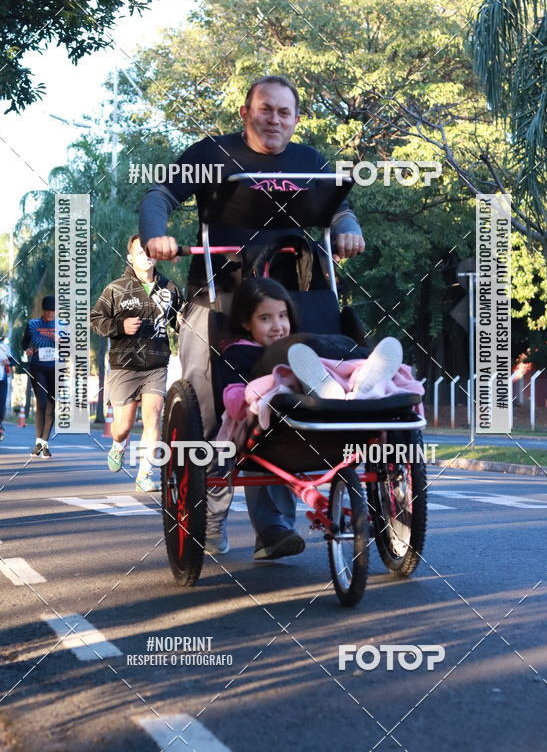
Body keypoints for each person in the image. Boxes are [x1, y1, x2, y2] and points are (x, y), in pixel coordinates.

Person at [139, 75, 366, 554]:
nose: (275, 119)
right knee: (205, 397)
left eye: (284, 112)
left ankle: (273, 529)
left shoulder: (310, 162)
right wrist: (156, 235)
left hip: (288, 295)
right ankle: (209, 520)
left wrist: (347, 229)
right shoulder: (211, 154)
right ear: (246, 112)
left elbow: (339, 209)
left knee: (284, 390)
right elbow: (159, 196)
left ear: (296, 119)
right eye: (266, 109)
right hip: (216, 293)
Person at [212, 278, 415, 558]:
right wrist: (248, 398)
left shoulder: (300, 341)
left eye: (283, 316)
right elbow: (233, 397)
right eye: (265, 318)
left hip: (325, 411)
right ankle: (328, 384)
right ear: (247, 323)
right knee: (284, 380)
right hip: (276, 422)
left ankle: (363, 379)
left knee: (324, 360)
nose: (277, 325)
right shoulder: (239, 351)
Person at [90, 235, 184, 492]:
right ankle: (119, 444)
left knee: (153, 418)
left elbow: (178, 321)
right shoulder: (116, 288)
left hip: (155, 363)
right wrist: (119, 326)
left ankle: (145, 474)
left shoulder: (170, 288)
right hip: (124, 364)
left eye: (150, 251)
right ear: (130, 257)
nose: (146, 255)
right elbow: (96, 319)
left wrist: (186, 322)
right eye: (140, 252)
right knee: (124, 426)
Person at [22, 296, 56, 457]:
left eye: (53, 311)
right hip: (38, 368)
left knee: (52, 405)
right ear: (43, 310)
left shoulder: (62, 326)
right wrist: (27, 349)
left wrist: (63, 341)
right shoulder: (33, 324)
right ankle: (38, 441)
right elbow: (24, 343)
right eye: (48, 310)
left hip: (56, 369)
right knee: (42, 403)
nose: (50, 314)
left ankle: (44, 444)